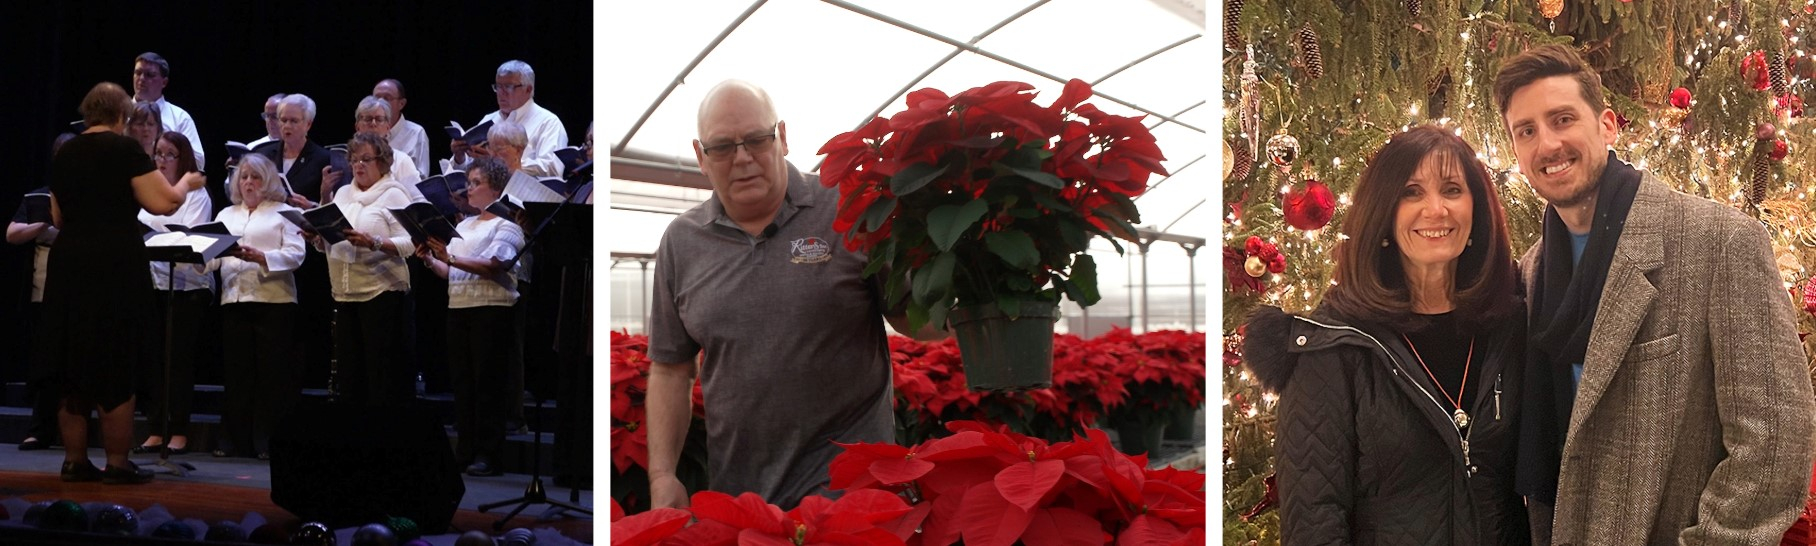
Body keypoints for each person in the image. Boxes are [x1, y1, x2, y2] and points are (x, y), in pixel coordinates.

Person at [1495, 44, 1816, 544]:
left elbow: (1776, 440)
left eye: (1562, 119)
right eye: (1527, 131)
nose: (1548, 144)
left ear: (1606, 125)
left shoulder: (1719, 241)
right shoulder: (1530, 273)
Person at [645, 80, 943, 510]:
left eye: (756, 140)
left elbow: (914, 319)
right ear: (701, 157)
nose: (743, 158)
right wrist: (662, 475)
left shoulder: (847, 210)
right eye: (723, 147)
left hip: (852, 498)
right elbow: (671, 370)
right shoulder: (682, 242)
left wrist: (978, 295)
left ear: (782, 138)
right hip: (743, 501)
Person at [1241, 125, 1527, 544]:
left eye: (1451, 190)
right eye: (1412, 192)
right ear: (1384, 211)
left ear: (1476, 208)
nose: (1435, 209)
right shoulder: (1331, 348)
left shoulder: (1509, 324)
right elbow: (1315, 523)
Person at [43, 82, 195, 484]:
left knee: (72, 360)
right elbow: (163, 203)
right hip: (113, 264)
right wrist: (187, 184)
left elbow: (57, 218)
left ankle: (74, 460)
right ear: (121, 115)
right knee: (116, 359)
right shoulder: (125, 149)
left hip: (69, 263)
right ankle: (117, 462)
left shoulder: (66, 151)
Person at [416, 157, 525, 477]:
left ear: (496, 188)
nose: (469, 189)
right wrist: (432, 259)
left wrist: (450, 257)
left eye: (476, 183)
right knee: (463, 384)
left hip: (492, 309)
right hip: (459, 307)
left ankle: (489, 454)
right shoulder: (463, 225)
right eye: (470, 182)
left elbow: (495, 264)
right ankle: (465, 451)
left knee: (487, 384)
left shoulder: (507, 225)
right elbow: (450, 271)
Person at [303, 132, 416, 407]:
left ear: (384, 162)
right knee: (350, 377)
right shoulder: (343, 193)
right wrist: (319, 238)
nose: (358, 166)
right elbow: (335, 242)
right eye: (354, 160)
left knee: (379, 376)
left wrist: (373, 242)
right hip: (345, 294)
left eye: (366, 159)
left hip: (381, 293)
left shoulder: (394, 194)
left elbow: (411, 243)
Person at [208, 154, 306, 459]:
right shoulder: (226, 214)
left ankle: (267, 442)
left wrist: (262, 257)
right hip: (234, 299)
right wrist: (198, 253)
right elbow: (213, 257)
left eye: (256, 177)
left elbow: (296, 254)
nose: (249, 183)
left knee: (271, 375)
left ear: (269, 181)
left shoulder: (284, 212)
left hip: (273, 301)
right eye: (244, 177)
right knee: (237, 374)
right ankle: (234, 441)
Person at [133, 131, 215, 456]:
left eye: (170, 155)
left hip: (186, 288)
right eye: (159, 154)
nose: (163, 161)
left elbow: (191, 238)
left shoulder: (196, 194)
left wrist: (156, 237)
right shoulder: (148, 190)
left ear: (183, 159)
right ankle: (155, 428)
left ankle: (179, 430)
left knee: (179, 362)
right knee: (155, 361)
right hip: (152, 284)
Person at [6, 133, 78, 451]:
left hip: (79, 292)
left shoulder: (89, 195)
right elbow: (12, 233)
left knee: (76, 363)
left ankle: (76, 432)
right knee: (45, 364)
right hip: (43, 290)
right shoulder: (38, 195)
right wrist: (41, 227)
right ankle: (40, 429)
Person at [443, 60, 567, 177]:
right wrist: (460, 158)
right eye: (498, 86)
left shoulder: (548, 122)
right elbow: (470, 171)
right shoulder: (489, 119)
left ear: (528, 89)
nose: (501, 93)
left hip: (523, 196)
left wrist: (500, 164)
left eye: (508, 87)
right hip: (486, 196)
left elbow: (553, 168)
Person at [130, 52, 203, 166]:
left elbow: (198, 161)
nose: (142, 79)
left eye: (150, 75)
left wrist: (166, 152)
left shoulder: (180, 118)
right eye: (138, 73)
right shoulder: (118, 113)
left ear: (164, 82)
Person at [352, 95, 424, 187]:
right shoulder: (348, 161)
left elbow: (418, 200)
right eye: (368, 119)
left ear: (388, 127)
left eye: (379, 119)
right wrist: (326, 191)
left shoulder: (401, 161)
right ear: (357, 127)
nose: (373, 124)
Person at [488, 122, 566, 204]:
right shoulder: (487, 178)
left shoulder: (534, 186)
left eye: (499, 149)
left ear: (519, 150)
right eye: (490, 148)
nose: (492, 154)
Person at [373, 79, 429, 177]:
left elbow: (421, 179)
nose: (380, 103)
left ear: (401, 104)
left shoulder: (416, 133)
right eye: (376, 98)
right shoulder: (369, 129)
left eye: (387, 98)